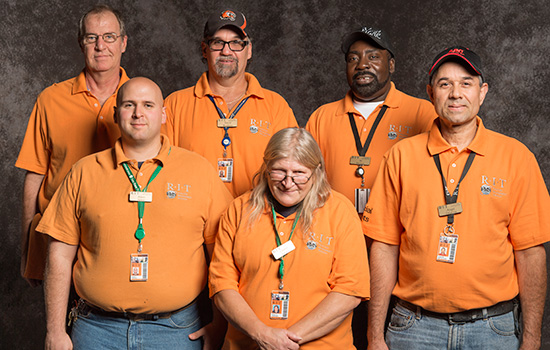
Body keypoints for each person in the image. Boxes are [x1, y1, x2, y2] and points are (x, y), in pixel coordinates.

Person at [363, 46, 549, 350]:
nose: (455, 94)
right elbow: (384, 247)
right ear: (430, 92)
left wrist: (531, 338)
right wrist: (374, 336)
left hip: (494, 330)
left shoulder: (517, 158)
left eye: (466, 83)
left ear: (482, 92)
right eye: (444, 83)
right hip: (413, 328)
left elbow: (531, 253)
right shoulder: (401, 157)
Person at [38, 77, 233, 349]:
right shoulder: (84, 172)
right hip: (96, 330)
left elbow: (222, 257)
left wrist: (219, 325)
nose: (138, 113)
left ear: (163, 114)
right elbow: (58, 255)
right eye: (129, 105)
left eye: (148, 105)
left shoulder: (199, 172)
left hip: (176, 331)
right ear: (116, 114)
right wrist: (55, 331)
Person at [209, 128, 370, 349]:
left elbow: (350, 291)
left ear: (317, 172)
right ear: (266, 169)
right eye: (279, 171)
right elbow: (221, 285)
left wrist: (283, 342)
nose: (288, 182)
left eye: (299, 173)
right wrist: (262, 334)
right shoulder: (238, 210)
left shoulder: (340, 212)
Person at [15, 4, 130, 286]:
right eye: (91, 37)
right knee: (59, 326)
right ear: (81, 44)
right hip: (59, 239)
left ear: (124, 43)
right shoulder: (50, 99)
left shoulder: (143, 102)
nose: (100, 45)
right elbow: (35, 175)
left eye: (109, 37)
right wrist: (29, 246)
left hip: (120, 239)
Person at [163, 8, 298, 198]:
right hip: (194, 223)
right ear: (204, 49)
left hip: (256, 221)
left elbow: (292, 173)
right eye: (218, 43)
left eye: (236, 43)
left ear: (249, 50)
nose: (226, 51)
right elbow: (160, 172)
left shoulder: (276, 107)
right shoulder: (174, 105)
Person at [306, 26, 436, 214]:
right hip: (336, 234)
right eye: (353, 58)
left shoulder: (422, 114)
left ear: (391, 65)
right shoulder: (321, 117)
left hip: (396, 236)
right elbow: (303, 180)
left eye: (373, 57)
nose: (362, 65)